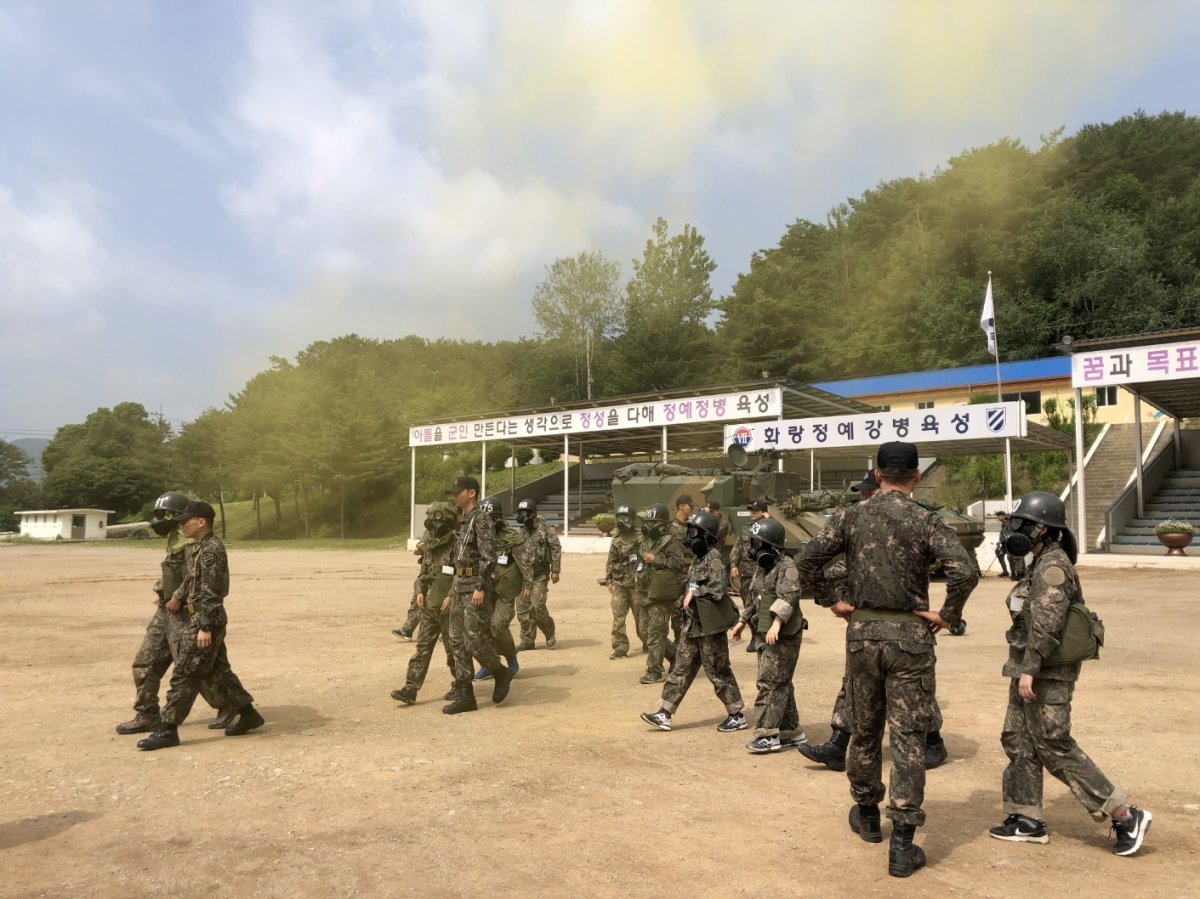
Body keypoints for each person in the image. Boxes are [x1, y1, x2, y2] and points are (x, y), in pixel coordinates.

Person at [796, 442, 978, 878]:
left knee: (864, 728)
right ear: (915, 476)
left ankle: (867, 815)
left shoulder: (849, 516)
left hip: (862, 637)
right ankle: (902, 843)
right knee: (909, 739)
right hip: (912, 640)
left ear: (877, 475)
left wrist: (835, 600)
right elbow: (965, 571)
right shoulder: (925, 519)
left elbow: (805, 562)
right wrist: (947, 615)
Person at [989, 491, 1151, 856]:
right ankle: (1026, 818)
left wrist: (1030, 669)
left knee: (1053, 743)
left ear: (1044, 529)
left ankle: (1125, 815)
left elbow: (1046, 625)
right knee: (1018, 740)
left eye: (1024, 524)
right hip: (1029, 667)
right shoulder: (1040, 561)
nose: (1016, 530)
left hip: (1046, 671)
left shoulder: (1053, 567)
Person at [801, 473, 951, 773]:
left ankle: (932, 741)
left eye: (865, 493)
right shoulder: (860, 522)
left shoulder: (903, 521)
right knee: (854, 686)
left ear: (877, 486)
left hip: (897, 626)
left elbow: (816, 562)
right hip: (867, 628)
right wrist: (832, 596)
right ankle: (838, 743)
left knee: (911, 694)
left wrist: (950, 614)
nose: (862, 498)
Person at [137, 501, 262, 750]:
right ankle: (248, 714)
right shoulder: (198, 548)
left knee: (185, 672)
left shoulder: (211, 550)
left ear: (201, 522)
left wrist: (204, 625)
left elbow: (211, 591)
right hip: (201, 617)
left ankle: (168, 729)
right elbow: (192, 580)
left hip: (206, 619)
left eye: (186, 520)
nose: (181, 525)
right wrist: (176, 597)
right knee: (218, 672)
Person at [116, 491, 230, 735]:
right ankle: (147, 713)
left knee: (192, 667)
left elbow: (195, 577)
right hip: (165, 608)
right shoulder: (176, 537)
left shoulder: (196, 542)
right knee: (145, 663)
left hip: (186, 611)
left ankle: (230, 705)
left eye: (167, 515)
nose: (162, 520)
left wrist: (178, 597)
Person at [641, 511, 745, 733]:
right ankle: (665, 714)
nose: (690, 535)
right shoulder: (699, 558)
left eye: (694, 531)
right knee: (680, 670)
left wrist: (695, 592)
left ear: (706, 535)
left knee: (718, 671)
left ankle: (736, 714)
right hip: (692, 626)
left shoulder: (714, 557)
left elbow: (718, 589)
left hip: (709, 628)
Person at [729, 518, 807, 753]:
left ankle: (767, 735)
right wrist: (742, 621)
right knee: (781, 682)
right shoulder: (763, 569)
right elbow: (755, 599)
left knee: (770, 683)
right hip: (764, 633)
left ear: (771, 545)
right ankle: (791, 731)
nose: (753, 548)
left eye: (757, 543)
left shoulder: (788, 567)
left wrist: (776, 624)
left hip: (783, 635)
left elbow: (789, 597)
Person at [443, 476, 513, 714]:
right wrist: (452, 591)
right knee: (455, 640)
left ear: (471, 493)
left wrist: (480, 586)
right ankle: (465, 695)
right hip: (459, 584)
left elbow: (489, 556)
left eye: (457, 492)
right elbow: (458, 560)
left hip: (475, 585)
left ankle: (500, 671)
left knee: (473, 639)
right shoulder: (462, 520)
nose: (453, 496)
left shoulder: (481, 519)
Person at [391, 501, 464, 705]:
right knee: (422, 650)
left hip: (448, 608)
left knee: (453, 651)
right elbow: (422, 574)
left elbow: (462, 575)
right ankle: (410, 689)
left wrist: (451, 596)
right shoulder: (431, 545)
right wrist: (420, 592)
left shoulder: (457, 544)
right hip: (430, 607)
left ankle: (461, 685)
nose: (434, 525)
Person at [473, 496, 521, 681]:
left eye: (491, 517)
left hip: (504, 589)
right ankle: (490, 665)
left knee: (498, 625)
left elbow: (524, 563)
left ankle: (511, 659)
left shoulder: (511, 537)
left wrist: (527, 585)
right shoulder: (475, 535)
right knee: (483, 628)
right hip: (483, 588)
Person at [637, 503, 684, 685]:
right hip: (644, 591)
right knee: (644, 632)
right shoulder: (645, 541)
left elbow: (678, 564)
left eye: (654, 522)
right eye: (648, 522)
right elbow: (638, 559)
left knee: (656, 633)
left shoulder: (672, 542)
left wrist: (656, 559)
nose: (649, 526)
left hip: (661, 594)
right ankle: (674, 656)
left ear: (663, 524)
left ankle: (654, 670)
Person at [513, 499, 561, 650]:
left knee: (537, 606)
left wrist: (555, 570)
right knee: (522, 609)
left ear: (533, 514)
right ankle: (527, 640)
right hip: (523, 577)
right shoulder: (522, 531)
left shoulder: (546, 528)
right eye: (520, 513)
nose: (522, 516)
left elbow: (555, 548)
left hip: (540, 575)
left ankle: (549, 632)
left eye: (525, 513)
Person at [605, 504, 645, 660]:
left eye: (626, 517)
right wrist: (609, 580)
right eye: (619, 517)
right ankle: (620, 647)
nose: (622, 521)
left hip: (637, 584)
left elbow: (645, 559)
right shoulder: (616, 539)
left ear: (633, 519)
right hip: (620, 583)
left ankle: (648, 642)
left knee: (641, 617)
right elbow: (611, 560)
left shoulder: (641, 537)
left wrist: (640, 574)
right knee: (618, 616)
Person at [729, 500, 769, 609]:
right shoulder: (745, 529)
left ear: (764, 512)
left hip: (763, 572)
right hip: (746, 572)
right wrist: (733, 565)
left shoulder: (769, 529)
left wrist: (768, 520)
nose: (752, 513)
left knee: (762, 602)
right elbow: (737, 548)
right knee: (746, 600)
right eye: (751, 511)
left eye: (755, 511)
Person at [393, 530, 430, 640]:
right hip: (428, 567)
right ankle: (408, 629)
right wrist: (420, 548)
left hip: (445, 570)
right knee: (418, 594)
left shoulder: (453, 528)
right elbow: (420, 547)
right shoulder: (431, 527)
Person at [993, 512, 1012, 578]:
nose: (997, 518)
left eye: (998, 517)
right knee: (998, 553)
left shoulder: (1009, 523)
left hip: (1009, 543)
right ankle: (1005, 571)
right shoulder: (1004, 523)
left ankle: (1014, 573)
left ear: (1002, 516)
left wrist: (1001, 540)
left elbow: (1008, 534)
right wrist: (1000, 541)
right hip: (1004, 544)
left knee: (1010, 558)